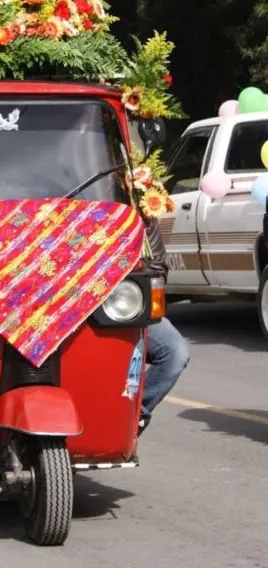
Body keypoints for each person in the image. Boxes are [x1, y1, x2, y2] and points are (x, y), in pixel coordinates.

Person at [137, 175, 190, 437]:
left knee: (175, 352)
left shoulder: (139, 204)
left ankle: (135, 417)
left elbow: (157, 267)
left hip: (123, 308)